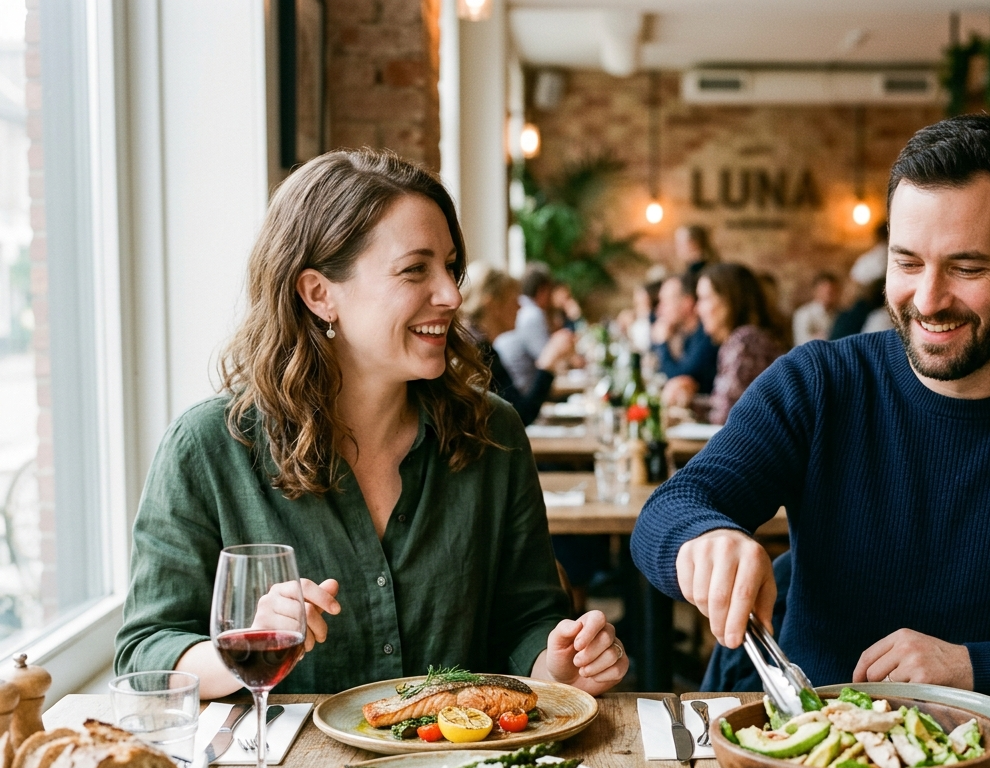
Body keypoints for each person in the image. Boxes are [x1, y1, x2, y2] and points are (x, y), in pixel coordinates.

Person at [631, 114, 990, 701]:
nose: (928, 299)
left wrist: (974, 667)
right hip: (822, 755)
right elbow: (670, 509)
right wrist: (705, 537)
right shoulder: (819, 384)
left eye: (967, 268)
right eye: (908, 262)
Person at [114, 149, 628, 699]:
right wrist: (244, 644)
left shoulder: (492, 432)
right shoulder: (209, 447)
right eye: (415, 269)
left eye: (450, 267)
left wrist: (561, 664)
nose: (452, 295)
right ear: (319, 294)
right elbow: (145, 650)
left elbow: (526, 620)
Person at [461, 265, 576, 426]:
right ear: (493, 305)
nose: (521, 306)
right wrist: (547, 364)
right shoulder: (476, 355)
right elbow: (519, 417)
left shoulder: (479, 347)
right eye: (514, 299)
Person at [693, 263, 785, 425]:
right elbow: (725, 404)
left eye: (704, 299)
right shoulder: (749, 338)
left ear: (728, 300)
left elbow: (727, 417)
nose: (697, 309)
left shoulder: (745, 342)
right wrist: (689, 402)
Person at [493, 262, 563, 393]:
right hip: (523, 391)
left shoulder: (531, 311)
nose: (519, 307)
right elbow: (547, 359)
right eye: (515, 300)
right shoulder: (532, 313)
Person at [653, 272, 719, 404]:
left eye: (665, 302)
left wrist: (662, 343)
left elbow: (680, 375)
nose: (659, 310)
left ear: (687, 303)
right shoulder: (687, 334)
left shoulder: (707, 335)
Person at [792, 272, 840, 346]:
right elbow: (802, 342)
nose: (829, 294)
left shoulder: (839, 313)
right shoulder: (803, 314)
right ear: (815, 291)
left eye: (833, 291)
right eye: (825, 290)